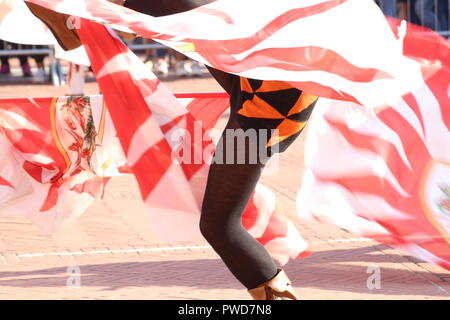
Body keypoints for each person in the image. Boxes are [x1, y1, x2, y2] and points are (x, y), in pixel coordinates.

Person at [25, 0, 317, 300]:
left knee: (219, 226)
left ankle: (274, 291)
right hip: (263, 88)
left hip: (264, 110)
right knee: (201, 24)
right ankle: (102, 12)